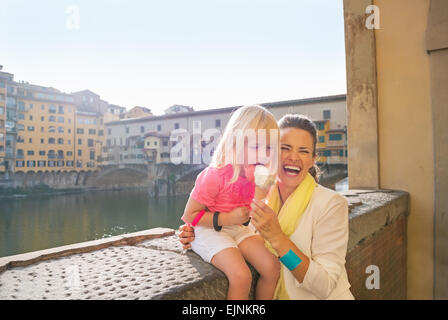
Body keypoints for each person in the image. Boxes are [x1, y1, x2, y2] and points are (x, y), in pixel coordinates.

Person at [179, 113, 354, 300]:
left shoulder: (331, 205)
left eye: (303, 151)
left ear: (313, 159)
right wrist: (199, 230)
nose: (294, 157)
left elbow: (325, 286)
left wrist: (278, 239)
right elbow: (217, 217)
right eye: (284, 148)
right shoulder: (256, 194)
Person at [181, 105, 281, 300]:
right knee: (241, 275)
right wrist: (228, 217)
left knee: (271, 267)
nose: (264, 155)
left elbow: (253, 209)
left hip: (237, 228)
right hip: (209, 230)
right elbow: (191, 216)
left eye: (269, 148)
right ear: (235, 144)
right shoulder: (214, 176)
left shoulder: (259, 175)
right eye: (256, 147)